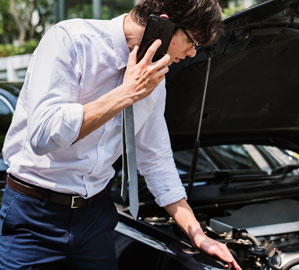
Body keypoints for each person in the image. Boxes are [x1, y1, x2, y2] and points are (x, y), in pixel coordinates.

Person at [0, 0, 241, 269]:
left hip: (95, 218)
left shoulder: (153, 81)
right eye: (192, 42)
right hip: (33, 216)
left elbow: (157, 161)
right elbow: (44, 135)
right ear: (164, 24)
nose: (192, 54)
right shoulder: (70, 40)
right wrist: (126, 94)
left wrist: (197, 234)